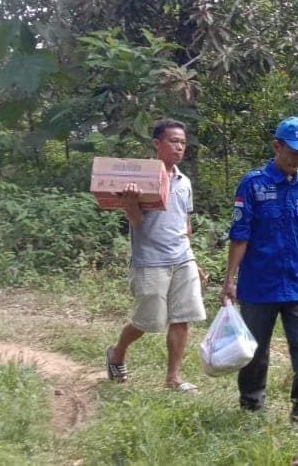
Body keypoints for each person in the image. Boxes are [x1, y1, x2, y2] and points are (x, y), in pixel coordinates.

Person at [220, 116, 298, 428]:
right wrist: (229, 280)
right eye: (293, 150)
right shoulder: (253, 185)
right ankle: (251, 402)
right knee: (255, 349)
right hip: (260, 283)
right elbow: (240, 234)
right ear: (277, 145)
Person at [106, 118, 207, 391]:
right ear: (157, 144)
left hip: (182, 259)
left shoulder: (184, 182)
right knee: (146, 321)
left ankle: (173, 379)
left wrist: (193, 260)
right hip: (150, 260)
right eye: (174, 141)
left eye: (183, 143)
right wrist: (129, 203)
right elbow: (136, 221)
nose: (179, 147)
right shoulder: (140, 179)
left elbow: (185, 226)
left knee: (181, 318)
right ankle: (116, 352)